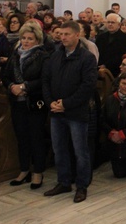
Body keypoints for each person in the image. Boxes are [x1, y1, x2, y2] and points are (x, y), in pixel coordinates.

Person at [42, 20, 98, 203]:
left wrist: (66, 103)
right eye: (61, 34)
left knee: (80, 151)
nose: (62, 37)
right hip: (56, 111)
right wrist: (51, 103)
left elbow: (87, 86)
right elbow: (46, 80)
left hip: (76, 112)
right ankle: (64, 181)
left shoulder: (86, 57)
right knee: (59, 149)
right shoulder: (55, 55)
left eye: (67, 34)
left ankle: (82, 186)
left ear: (77, 35)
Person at [1, 22, 50, 190]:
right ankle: (24, 170)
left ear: (37, 40)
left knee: (36, 138)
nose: (26, 41)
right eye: (23, 38)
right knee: (21, 138)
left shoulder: (43, 56)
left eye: (30, 38)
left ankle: (38, 171)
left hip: (35, 102)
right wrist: (11, 87)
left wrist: (24, 87)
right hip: (17, 102)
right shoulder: (15, 54)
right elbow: (6, 75)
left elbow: (44, 80)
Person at [95, 13, 126, 77]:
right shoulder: (101, 37)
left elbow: (123, 55)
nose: (110, 24)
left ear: (119, 24)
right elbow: (97, 52)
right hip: (99, 70)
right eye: (108, 22)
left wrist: (106, 65)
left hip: (116, 70)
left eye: (112, 22)